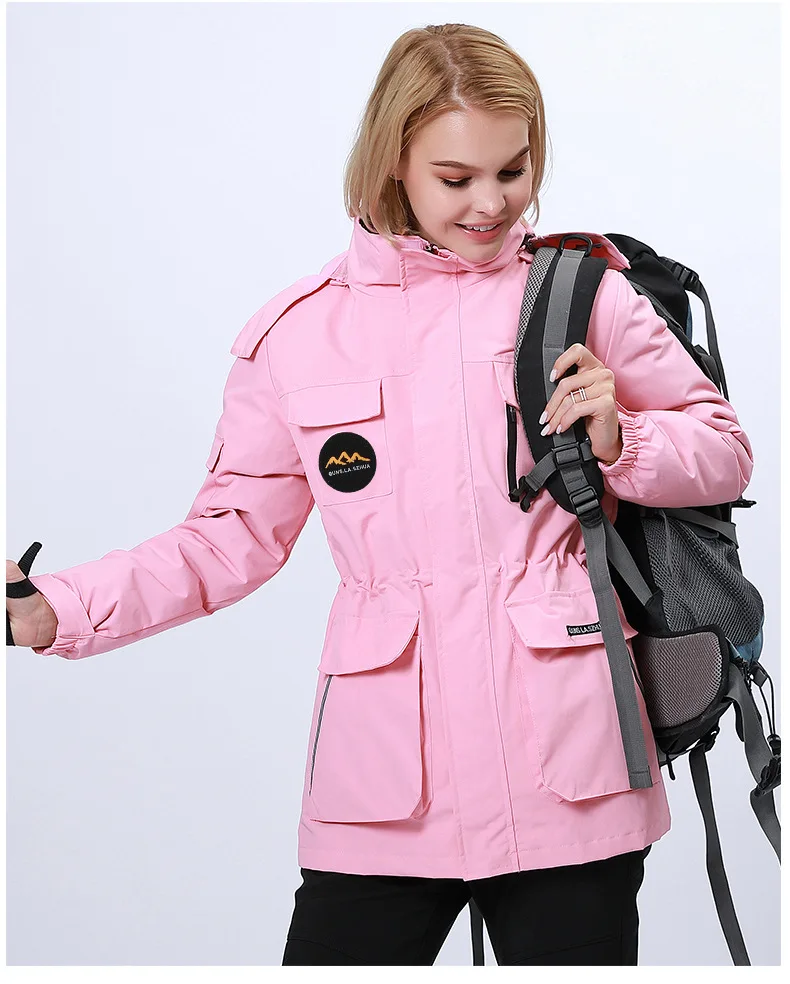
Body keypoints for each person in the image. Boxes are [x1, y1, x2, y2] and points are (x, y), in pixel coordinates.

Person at [7, 23, 754, 966]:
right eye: (456, 177)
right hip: (386, 789)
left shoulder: (582, 297)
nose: (492, 203)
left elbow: (725, 452)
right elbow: (225, 540)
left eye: (514, 171)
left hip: (573, 769)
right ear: (394, 159)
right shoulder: (298, 337)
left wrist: (623, 438)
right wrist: (58, 609)